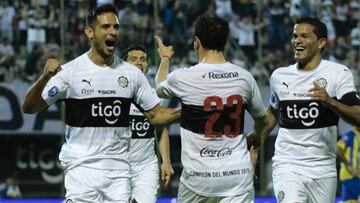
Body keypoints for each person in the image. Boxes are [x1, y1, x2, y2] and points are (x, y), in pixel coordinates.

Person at [22, 4, 180, 203]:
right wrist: (44, 78)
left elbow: (157, 117)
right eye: (106, 27)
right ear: (90, 32)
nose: (112, 32)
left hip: (119, 171)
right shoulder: (70, 72)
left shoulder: (132, 75)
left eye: (116, 27)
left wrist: (190, 109)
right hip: (82, 169)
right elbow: (29, 107)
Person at [155, 15, 270, 203]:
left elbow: (160, 88)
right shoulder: (244, 77)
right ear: (225, 41)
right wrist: (256, 137)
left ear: (197, 42)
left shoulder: (184, 77)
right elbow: (263, 119)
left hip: (198, 180)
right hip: (237, 178)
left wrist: (165, 58)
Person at [264, 17, 360, 203]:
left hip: (323, 168)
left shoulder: (338, 74)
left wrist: (330, 102)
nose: (297, 41)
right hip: (287, 164)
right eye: (294, 36)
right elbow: (273, 113)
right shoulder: (279, 76)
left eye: (304, 36)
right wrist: (257, 140)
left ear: (321, 42)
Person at [121, 44, 174, 203]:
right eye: (133, 59)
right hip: (117, 165)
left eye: (143, 60)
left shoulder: (151, 96)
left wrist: (166, 160)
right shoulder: (112, 94)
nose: (139, 62)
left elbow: (161, 128)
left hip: (146, 166)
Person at [337, 126, 360, 203]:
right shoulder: (349, 135)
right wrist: (348, 165)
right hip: (350, 176)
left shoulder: (358, 135)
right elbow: (338, 148)